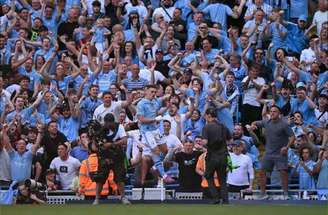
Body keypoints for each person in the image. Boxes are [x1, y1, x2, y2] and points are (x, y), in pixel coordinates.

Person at [251, 105, 295, 199]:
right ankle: (263, 194)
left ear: (279, 113)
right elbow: (255, 122)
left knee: (283, 172)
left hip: (280, 153)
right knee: (262, 172)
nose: (272, 113)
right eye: (271, 111)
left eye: (274, 111)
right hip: (268, 153)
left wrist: (286, 147)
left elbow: (292, 137)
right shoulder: (267, 122)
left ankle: (286, 194)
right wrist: (253, 125)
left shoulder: (284, 124)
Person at [202, 108, 232, 204]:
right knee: (222, 178)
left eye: (205, 116)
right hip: (223, 156)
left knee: (208, 176)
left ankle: (215, 198)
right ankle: (225, 200)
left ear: (208, 116)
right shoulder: (223, 126)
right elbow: (230, 141)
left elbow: (205, 142)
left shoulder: (206, 127)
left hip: (212, 156)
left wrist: (201, 144)